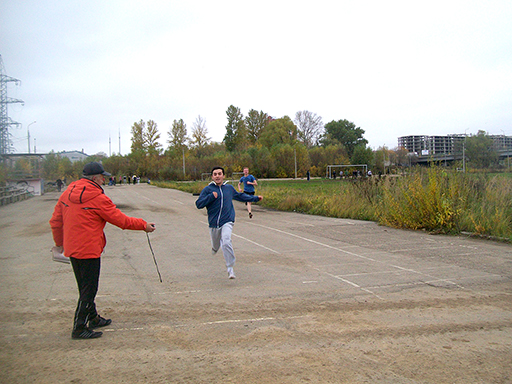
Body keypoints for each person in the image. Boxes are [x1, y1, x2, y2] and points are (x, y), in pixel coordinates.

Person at [49, 162, 156, 339]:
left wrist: (60, 244)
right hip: (89, 249)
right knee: (89, 289)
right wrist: (143, 225)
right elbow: (120, 220)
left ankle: (93, 318)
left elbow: (55, 221)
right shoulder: (97, 197)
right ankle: (79, 327)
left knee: (84, 287)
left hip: (72, 248)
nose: (104, 179)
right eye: (102, 177)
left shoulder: (67, 193)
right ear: (95, 178)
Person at [196, 166, 262, 279]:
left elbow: (240, 196)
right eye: (215, 174)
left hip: (227, 221)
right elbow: (199, 204)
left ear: (223, 176)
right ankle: (215, 248)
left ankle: (230, 268)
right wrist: (211, 197)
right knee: (216, 245)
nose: (217, 176)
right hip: (213, 224)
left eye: (219, 174)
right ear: (212, 177)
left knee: (226, 241)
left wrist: (254, 198)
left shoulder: (229, 188)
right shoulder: (208, 190)